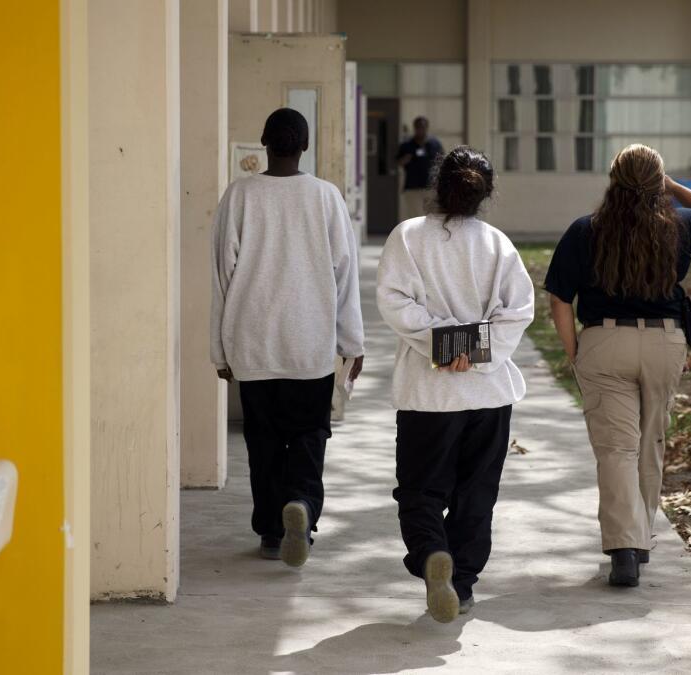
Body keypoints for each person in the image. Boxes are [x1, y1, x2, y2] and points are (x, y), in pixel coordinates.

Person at [544, 144, 691, 588]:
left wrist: (575, 352)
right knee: (650, 442)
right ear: (656, 184)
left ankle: (624, 548)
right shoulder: (680, 226)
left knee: (616, 448)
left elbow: (558, 299)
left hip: (605, 341)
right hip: (665, 342)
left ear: (613, 181)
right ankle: (640, 538)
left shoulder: (585, 230)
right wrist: (669, 185)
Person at [377, 146, 535, 622]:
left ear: (436, 184)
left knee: (421, 491)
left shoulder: (407, 237)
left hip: (429, 394)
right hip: (488, 396)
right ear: (486, 194)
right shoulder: (498, 244)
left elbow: (395, 302)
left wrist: (443, 345)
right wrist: (476, 350)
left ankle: (431, 558)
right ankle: (461, 583)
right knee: (476, 493)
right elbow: (519, 310)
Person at [211, 108, 365, 568]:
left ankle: (272, 533)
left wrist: (218, 349)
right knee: (308, 435)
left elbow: (222, 275)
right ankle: (300, 504)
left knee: (262, 441)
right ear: (305, 144)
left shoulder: (239, 195)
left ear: (264, 142)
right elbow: (345, 273)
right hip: (309, 345)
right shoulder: (326, 196)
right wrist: (351, 343)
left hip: (253, 343)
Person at [396, 116, 444, 222]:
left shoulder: (434, 144)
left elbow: (442, 162)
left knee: (433, 217)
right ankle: (417, 238)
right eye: (418, 127)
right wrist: (405, 159)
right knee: (415, 217)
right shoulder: (407, 145)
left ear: (427, 127)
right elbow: (398, 162)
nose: (420, 129)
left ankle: (431, 238)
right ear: (414, 128)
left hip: (431, 187)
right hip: (412, 188)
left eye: (423, 127)